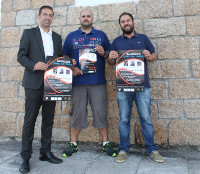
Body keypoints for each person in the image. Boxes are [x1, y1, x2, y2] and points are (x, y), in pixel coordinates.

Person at [108, 12, 164, 163]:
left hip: (142, 86)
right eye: (123, 21)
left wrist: (148, 56)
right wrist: (111, 57)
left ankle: (152, 150)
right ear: (120, 25)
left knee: (145, 118)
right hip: (123, 87)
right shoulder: (116, 41)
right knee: (124, 119)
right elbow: (111, 62)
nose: (126, 23)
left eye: (128, 21)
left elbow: (154, 56)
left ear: (132, 22)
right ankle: (123, 150)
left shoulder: (143, 38)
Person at [62, 9, 117, 158]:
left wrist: (103, 52)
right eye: (84, 16)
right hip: (77, 82)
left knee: (100, 111)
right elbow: (64, 56)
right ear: (79, 18)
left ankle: (105, 144)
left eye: (89, 16)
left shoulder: (101, 35)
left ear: (93, 18)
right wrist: (71, 67)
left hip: (97, 81)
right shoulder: (71, 37)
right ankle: (73, 144)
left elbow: (110, 56)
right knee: (77, 112)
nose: (86, 18)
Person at [18, 6, 63, 173]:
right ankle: (25, 157)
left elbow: (59, 57)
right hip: (33, 84)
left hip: (52, 84)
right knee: (29, 121)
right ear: (39, 17)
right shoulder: (29, 34)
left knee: (48, 121)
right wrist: (33, 65)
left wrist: (67, 63)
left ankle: (45, 152)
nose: (48, 17)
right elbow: (21, 56)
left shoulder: (57, 37)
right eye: (45, 14)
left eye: (51, 15)